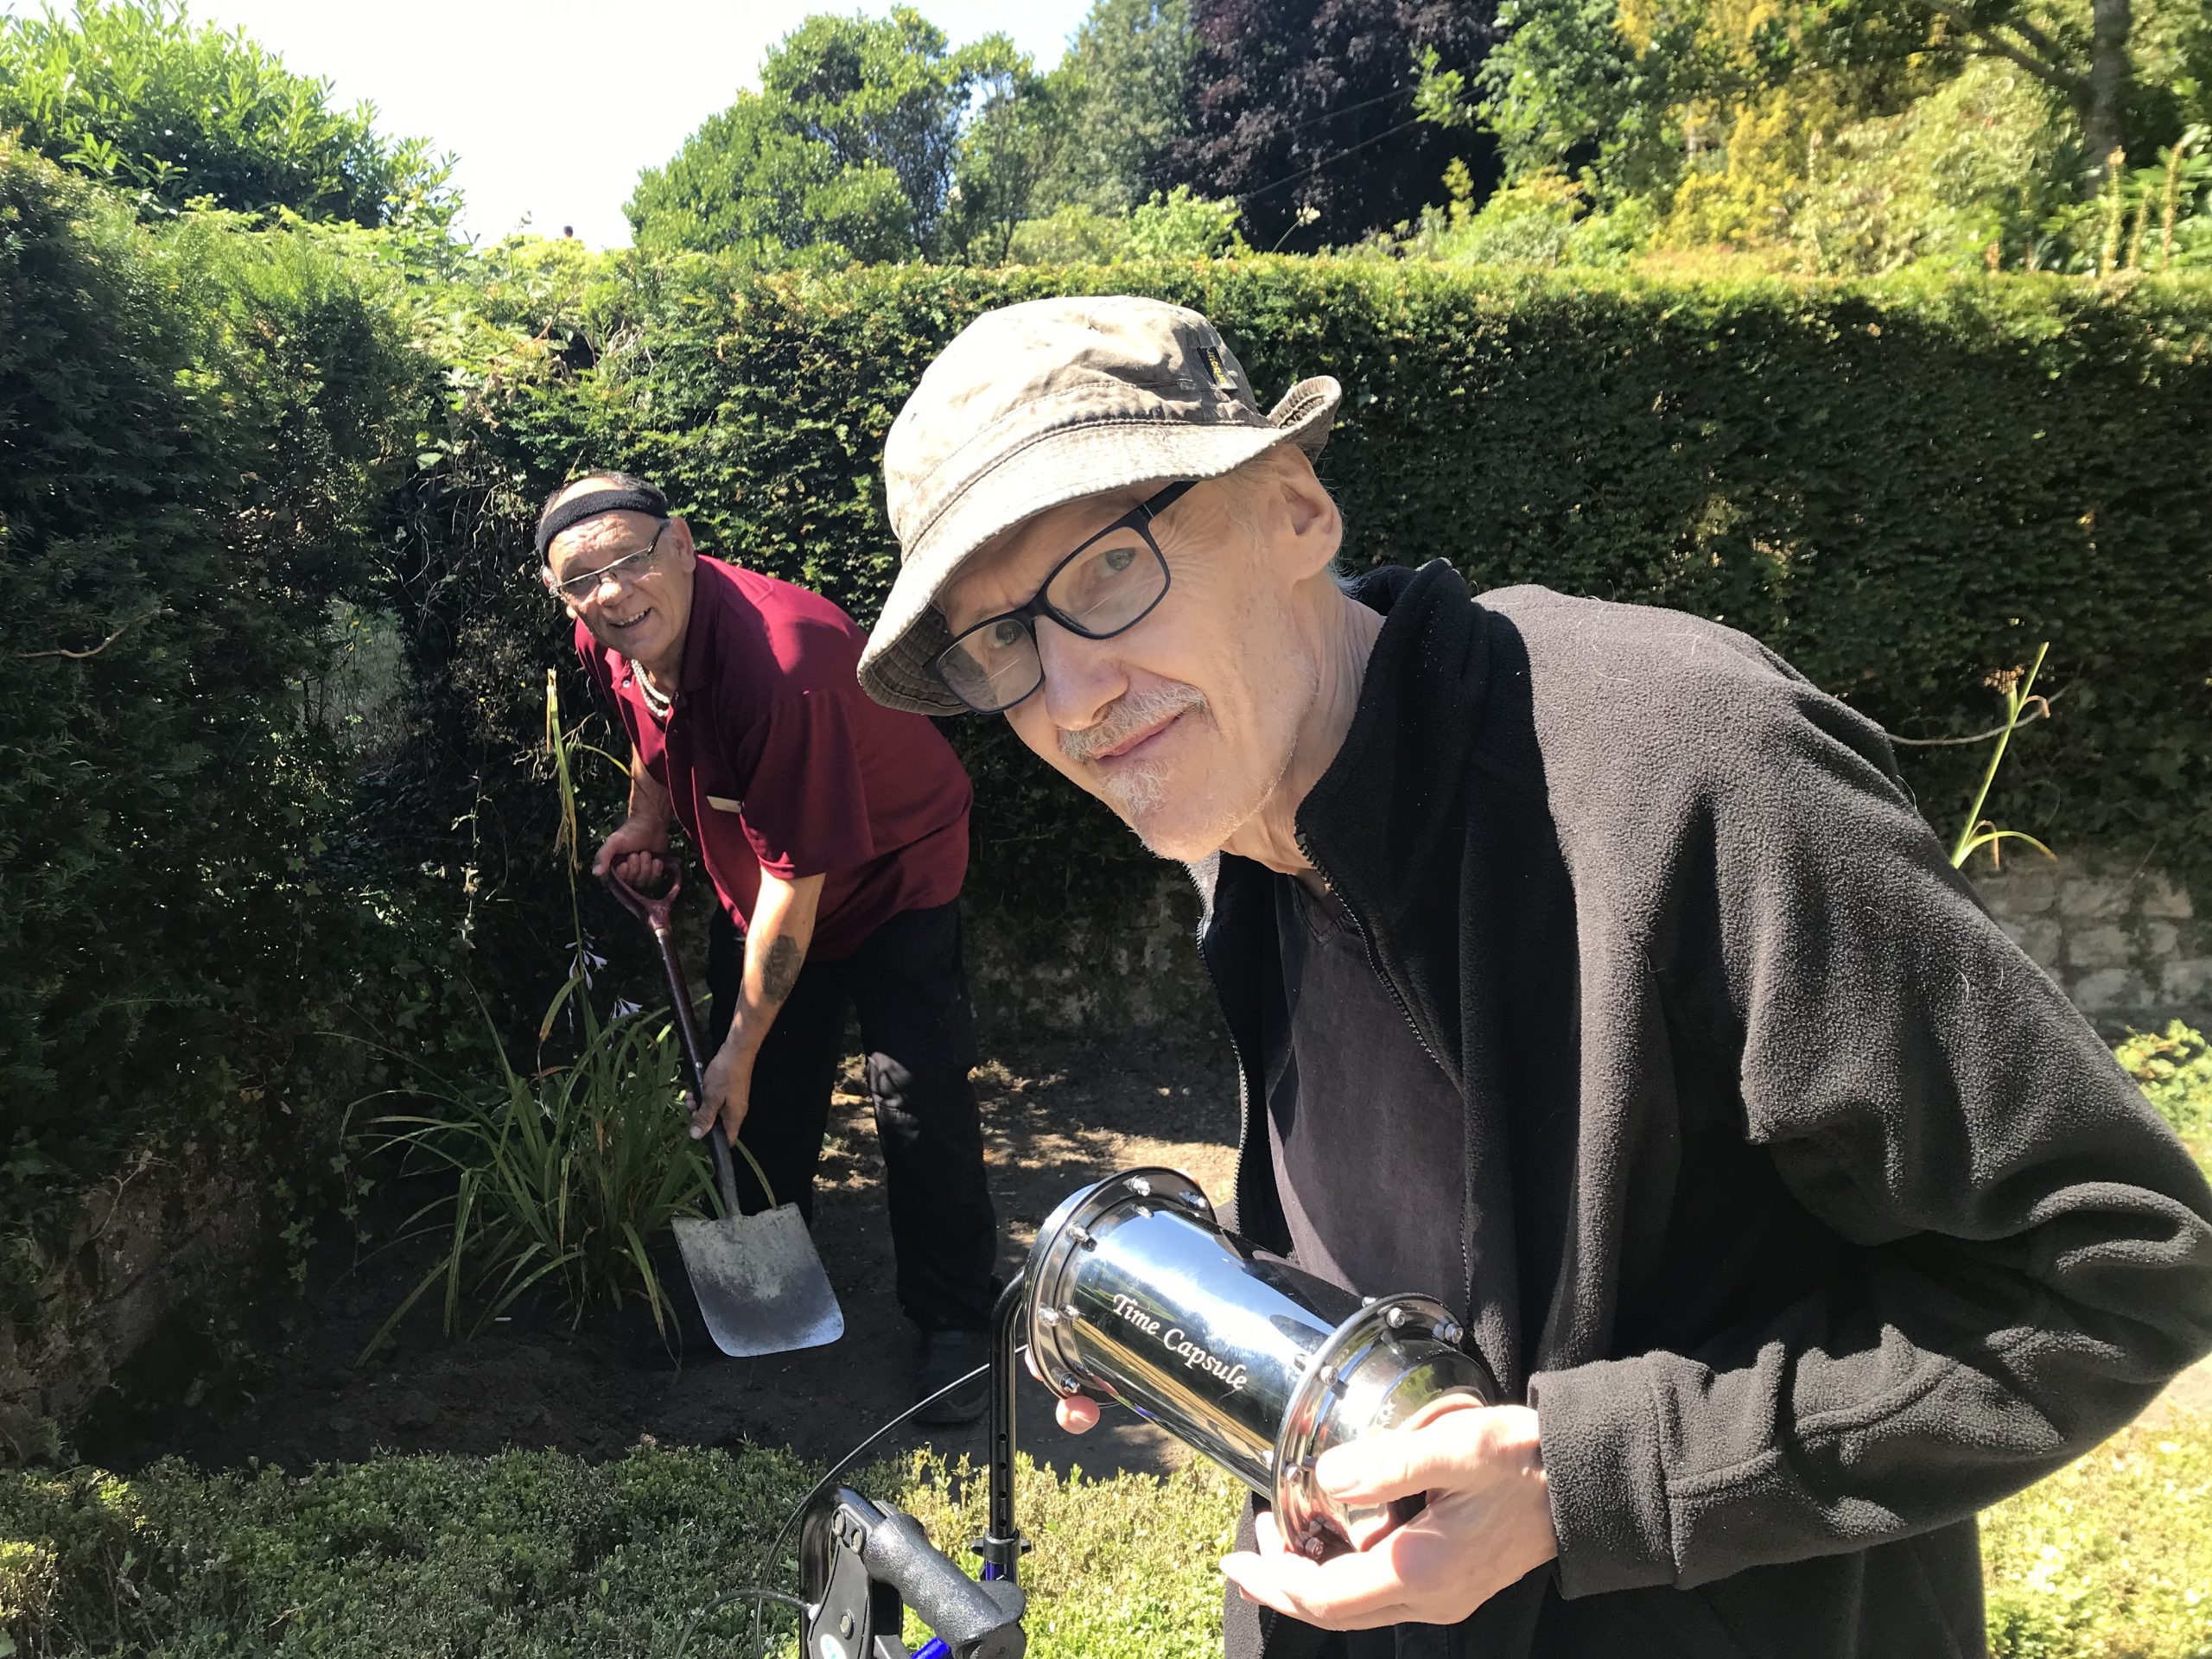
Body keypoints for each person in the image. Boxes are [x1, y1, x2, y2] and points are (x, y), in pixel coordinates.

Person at [853, 296, 2212, 1654]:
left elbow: (2128, 1259)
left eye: (1105, 572)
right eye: (1004, 641)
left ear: (1293, 509)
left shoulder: (1697, 768)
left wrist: (1579, 1483)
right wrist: (1199, 1338)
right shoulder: (1235, 822)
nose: (1074, 692)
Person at [540, 471, 998, 1421]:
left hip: (893, 869)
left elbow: (801, 886)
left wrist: (738, 1051)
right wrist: (647, 821)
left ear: (681, 544)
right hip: (774, 872)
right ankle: (756, 1291)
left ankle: (955, 1323)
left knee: (911, 1094)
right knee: (753, 1101)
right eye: (580, 581)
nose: (610, 593)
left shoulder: (784, 664)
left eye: (628, 560)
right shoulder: (611, 630)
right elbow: (651, 722)